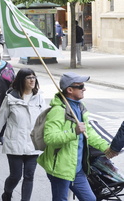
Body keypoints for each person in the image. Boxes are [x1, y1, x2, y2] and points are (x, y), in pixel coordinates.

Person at [37, 72, 110, 201]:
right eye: (80, 86)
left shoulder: (80, 107)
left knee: (90, 199)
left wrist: (107, 148)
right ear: (69, 90)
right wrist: (73, 132)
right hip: (61, 169)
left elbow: (89, 133)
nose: (84, 88)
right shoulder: (58, 111)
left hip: (77, 169)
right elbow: (49, 138)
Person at [0, 68, 45, 201]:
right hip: (15, 143)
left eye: (34, 77)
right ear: (21, 80)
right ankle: (7, 193)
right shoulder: (10, 98)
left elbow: (45, 121)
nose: (32, 80)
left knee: (29, 176)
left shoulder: (39, 98)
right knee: (16, 175)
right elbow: (0, 120)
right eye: (28, 78)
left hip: (32, 143)